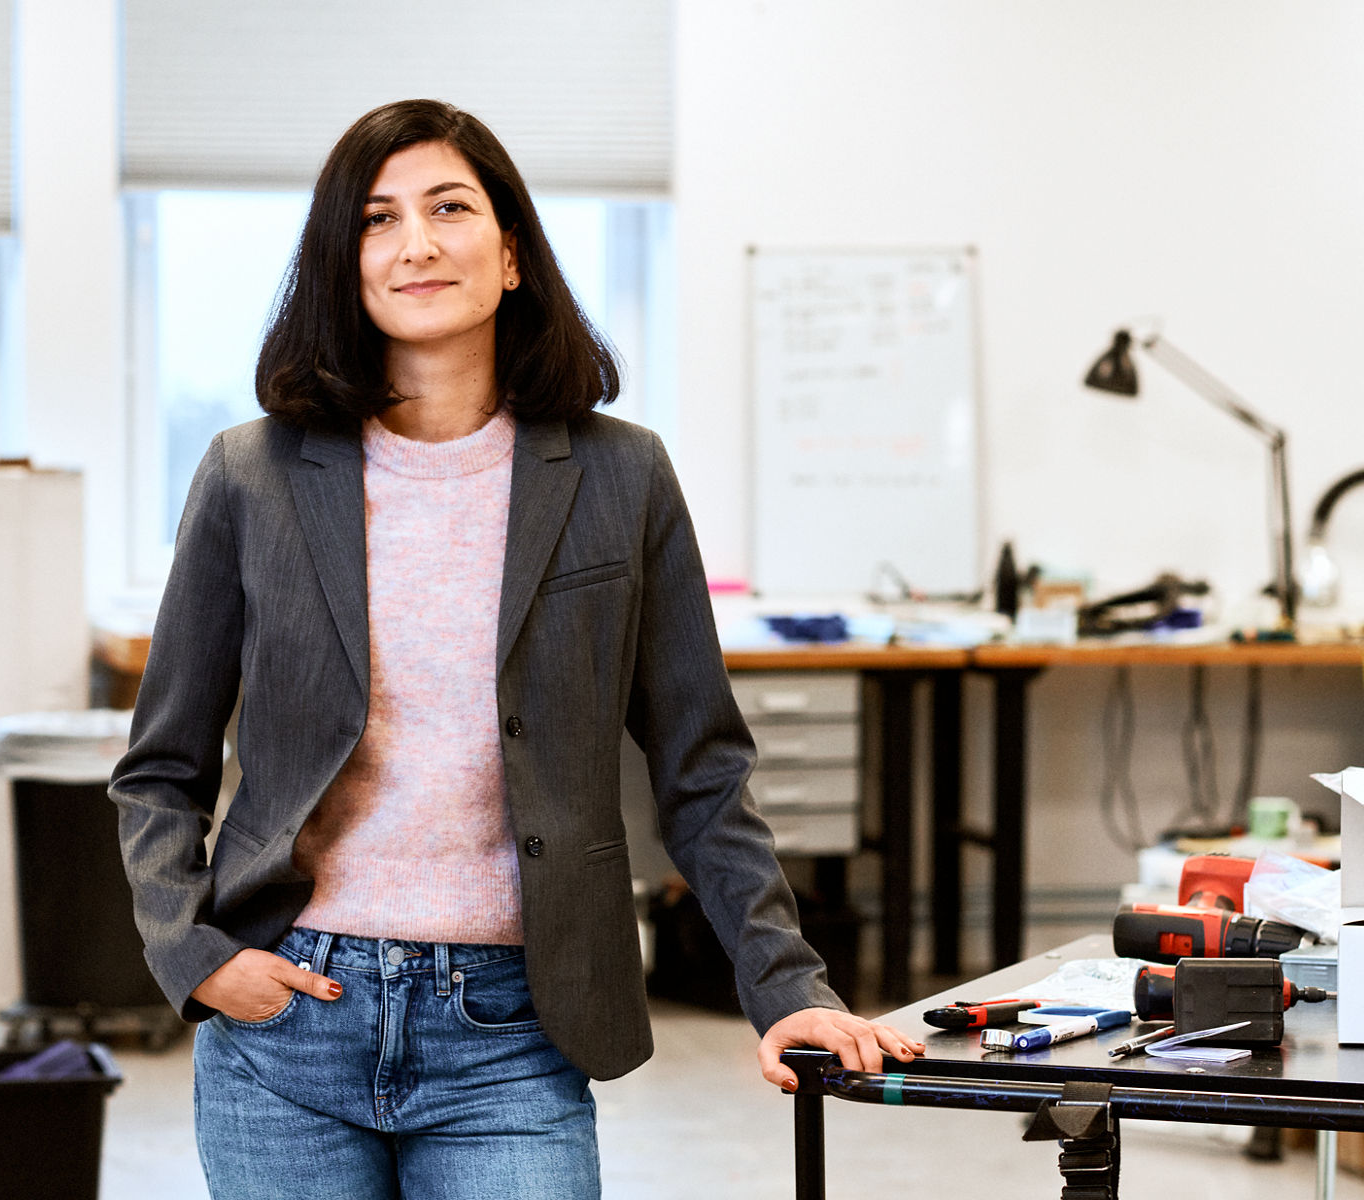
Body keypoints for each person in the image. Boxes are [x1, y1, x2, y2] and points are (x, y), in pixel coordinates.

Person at [108, 98, 922, 1199]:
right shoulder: (250, 476)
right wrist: (195, 960)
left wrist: (788, 988)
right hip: (285, 1018)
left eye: (449, 207)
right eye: (377, 219)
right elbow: (160, 766)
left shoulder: (619, 476)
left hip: (510, 1024)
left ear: (511, 255)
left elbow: (700, 769)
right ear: (342, 264)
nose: (416, 243)